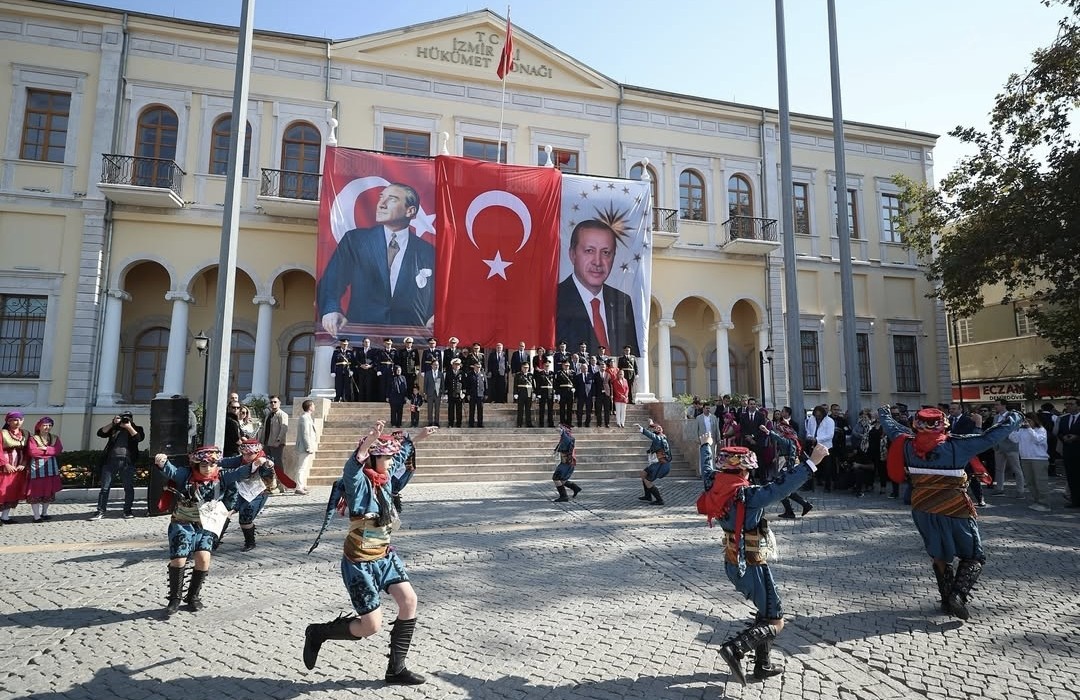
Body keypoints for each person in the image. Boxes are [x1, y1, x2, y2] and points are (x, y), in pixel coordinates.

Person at [303, 421, 435, 685]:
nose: (389, 461)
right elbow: (352, 466)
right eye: (384, 457)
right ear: (373, 458)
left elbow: (401, 457)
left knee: (409, 601)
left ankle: (396, 669)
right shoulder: (358, 482)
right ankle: (318, 633)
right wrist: (368, 442)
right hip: (359, 561)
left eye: (389, 457)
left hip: (385, 556)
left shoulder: (386, 478)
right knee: (370, 626)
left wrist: (417, 438)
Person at [699, 443, 829, 685]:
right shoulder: (747, 495)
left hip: (732, 560)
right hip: (751, 563)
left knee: (765, 611)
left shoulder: (714, 485)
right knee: (776, 619)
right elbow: (781, 487)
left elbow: (706, 468)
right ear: (744, 471)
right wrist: (812, 462)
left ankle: (763, 665)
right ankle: (735, 649)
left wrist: (706, 445)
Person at [879, 404, 1021, 620]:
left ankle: (946, 600)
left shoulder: (906, 443)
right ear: (943, 425)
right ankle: (957, 595)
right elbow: (992, 436)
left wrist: (884, 413)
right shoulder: (958, 445)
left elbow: (891, 426)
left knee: (939, 554)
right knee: (974, 555)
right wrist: (1015, 417)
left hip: (923, 506)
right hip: (954, 507)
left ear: (916, 424)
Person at [154, 444, 272, 617]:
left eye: (212, 464)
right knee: (179, 559)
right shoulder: (186, 475)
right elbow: (171, 471)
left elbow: (240, 472)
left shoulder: (223, 476)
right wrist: (162, 461)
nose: (208, 468)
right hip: (183, 522)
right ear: (196, 465)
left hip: (207, 524)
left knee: (203, 558)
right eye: (203, 465)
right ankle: (175, 598)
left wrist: (257, 464)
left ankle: (193, 596)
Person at [317, 183, 435, 333]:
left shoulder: (427, 252)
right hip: (360, 337)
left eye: (391, 199)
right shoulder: (356, 241)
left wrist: (435, 316)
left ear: (410, 211)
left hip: (409, 340)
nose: (381, 204)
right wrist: (331, 310)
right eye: (381, 198)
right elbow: (331, 282)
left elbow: (438, 295)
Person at [555, 220, 640, 357]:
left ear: (613, 257)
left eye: (606, 252)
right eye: (589, 251)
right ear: (572, 254)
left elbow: (632, 354)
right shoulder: (555, 299)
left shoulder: (623, 301)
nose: (598, 262)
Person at [231, 438, 288, 552]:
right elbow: (226, 462)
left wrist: (266, 465)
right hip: (241, 491)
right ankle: (215, 540)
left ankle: (250, 542)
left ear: (257, 452)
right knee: (225, 511)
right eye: (244, 454)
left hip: (259, 493)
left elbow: (269, 474)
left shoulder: (265, 462)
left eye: (250, 454)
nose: (246, 457)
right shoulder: (240, 460)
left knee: (245, 518)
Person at [90, 411, 145, 520]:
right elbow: (100, 433)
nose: (125, 420)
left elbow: (138, 438)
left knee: (128, 488)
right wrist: (112, 423)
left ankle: (127, 511)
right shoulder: (114, 429)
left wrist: (129, 427)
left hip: (127, 462)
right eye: (123, 418)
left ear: (132, 419)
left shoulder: (137, 428)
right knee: (105, 488)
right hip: (110, 462)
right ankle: (100, 511)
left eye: (128, 418)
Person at [760, 421, 814, 519]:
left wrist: (768, 431)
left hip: (786, 466)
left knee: (781, 489)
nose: (778, 432)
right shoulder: (792, 439)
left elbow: (779, 439)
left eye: (780, 430)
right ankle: (801, 506)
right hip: (787, 465)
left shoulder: (787, 439)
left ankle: (792, 510)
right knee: (785, 489)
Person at [1010, 412, 1051, 511]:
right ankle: (1037, 501)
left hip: (1039, 459)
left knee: (1040, 482)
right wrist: (1014, 429)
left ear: (1034, 421)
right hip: (1025, 458)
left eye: (1029, 421)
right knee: (1030, 482)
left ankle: (1045, 504)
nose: (1026, 423)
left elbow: (1038, 440)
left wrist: (1029, 429)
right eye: (1025, 421)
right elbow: (1014, 439)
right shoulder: (1022, 430)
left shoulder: (1041, 430)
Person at [26, 417, 63, 523]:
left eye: (50, 425)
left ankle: (45, 513)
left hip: (51, 469)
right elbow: (33, 452)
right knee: (35, 492)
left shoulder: (55, 437)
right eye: (45, 425)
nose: (48, 427)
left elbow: (58, 450)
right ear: (39, 426)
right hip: (37, 470)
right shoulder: (33, 439)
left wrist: (46, 449)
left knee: (49, 491)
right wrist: (50, 452)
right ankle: (36, 516)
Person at [390, 427, 435, 512]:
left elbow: (405, 453)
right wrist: (416, 439)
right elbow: (403, 453)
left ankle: (394, 498)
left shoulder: (407, 466)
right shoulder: (392, 461)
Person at [990, 399, 1024, 497]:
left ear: (1003, 405)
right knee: (999, 469)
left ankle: (1020, 490)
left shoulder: (1012, 415)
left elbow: (1016, 428)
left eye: (997, 405)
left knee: (1016, 469)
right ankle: (999, 488)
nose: (995, 407)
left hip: (1011, 446)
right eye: (995, 405)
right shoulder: (996, 417)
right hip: (999, 446)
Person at [0, 412, 29, 524]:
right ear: (8, 421)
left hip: (18, 468)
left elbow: (28, 451)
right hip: (5, 469)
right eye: (15, 420)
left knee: (12, 492)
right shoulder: (3, 433)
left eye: (20, 419)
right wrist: (5, 464)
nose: (18, 422)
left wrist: (24, 463)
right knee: (1, 491)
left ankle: (5, 517)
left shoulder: (26, 434)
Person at [635, 419, 671, 505]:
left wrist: (642, 429)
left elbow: (652, 436)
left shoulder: (660, 438)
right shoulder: (659, 436)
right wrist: (651, 424)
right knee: (643, 473)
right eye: (656, 428)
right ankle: (648, 496)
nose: (658, 428)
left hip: (661, 464)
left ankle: (659, 500)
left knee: (648, 481)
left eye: (659, 428)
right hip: (657, 463)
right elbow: (654, 431)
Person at [263, 396, 289, 493]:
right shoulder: (269, 415)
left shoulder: (283, 414)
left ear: (279, 403)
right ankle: (270, 485)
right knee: (267, 465)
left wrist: (278, 441)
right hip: (267, 443)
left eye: (275, 402)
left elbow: (284, 428)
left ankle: (282, 485)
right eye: (271, 402)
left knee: (278, 465)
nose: (273, 404)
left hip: (276, 444)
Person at [293, 399, 319, 496]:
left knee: (304, 467)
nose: (314, 407)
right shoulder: (304, 418)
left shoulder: (308, 417)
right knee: (302, 467)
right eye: (313, 405)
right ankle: (298, 487)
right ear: (310, 406)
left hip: (307, 446)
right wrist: (308, 447)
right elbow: (305, 434)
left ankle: (302, 485)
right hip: (304, 447)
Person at [1058, 399, 1080, 507]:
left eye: (1071, 404)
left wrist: (1077, 437)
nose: (1068, 406)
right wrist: (1063, 437)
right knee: (1071, 477)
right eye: (1067, 404)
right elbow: (1059, 432)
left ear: (1078, 406)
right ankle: (1075, 501)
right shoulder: (1064, 418)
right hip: (1068, 451)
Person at [552, 424, 581, 502]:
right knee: (562, 480)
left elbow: (564, 436)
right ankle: (575, 488)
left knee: (556, 478)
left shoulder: (567, 438)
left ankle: (564, 496)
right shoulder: (568, 438)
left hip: (566, 463)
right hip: (566, 463)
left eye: (562, 428)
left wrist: (561, 431)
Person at [695, 404, 722, 480]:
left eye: (709, 408)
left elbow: (717, 429)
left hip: (712, 439)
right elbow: (696, 429)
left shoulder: (713, 417)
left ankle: (712, 471)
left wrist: (718, 438)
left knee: (712, 455)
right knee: (702, 455)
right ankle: (702, 473)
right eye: (706, 408)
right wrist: (697, 439)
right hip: (703, 439)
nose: (708, 410)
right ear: (703, 409)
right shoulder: (699, 418)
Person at [331, 338, 356, 402]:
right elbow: (333, 362)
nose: (345, 346)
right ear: (341, 344)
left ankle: (346, 399)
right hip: (339, 370)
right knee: (339, 385)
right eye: (343, 344)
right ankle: (338, 398)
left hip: (347, 370)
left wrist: (352, 370)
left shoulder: (350, 352)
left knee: (347, 385)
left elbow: (353, 362)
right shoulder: (336, 352)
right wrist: (333, 371)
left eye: (346, 344)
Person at [444, 358, 466, 428]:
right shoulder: (449, 373)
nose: (457, 366)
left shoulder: (462, 373)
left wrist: (464, 392)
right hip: (451, 394)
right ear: (452, 365)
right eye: (455, 364)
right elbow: (446, 383)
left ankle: (459, 423)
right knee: (451, 409)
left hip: (459, 394)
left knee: (459, 410)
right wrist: (446, 392)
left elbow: (464, 384)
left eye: (458, 365)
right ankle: (450, 423)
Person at [422, 358, 444, 427]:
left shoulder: (441, 374)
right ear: (431, 365)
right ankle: (430, 422)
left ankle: (436, 422)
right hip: (430, 393)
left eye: (437, 365)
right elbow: (425, 384)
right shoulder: (428, 373)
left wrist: (442, 393)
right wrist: (425, 393)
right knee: (430, 408)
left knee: (437, 409)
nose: (436, 366)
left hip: (437, 394)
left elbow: (442, 384)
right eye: (434, 365)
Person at [465, 361, 487, 428]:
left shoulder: (482, 374)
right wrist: (468, 394)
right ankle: (471, 423)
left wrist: (486, 393)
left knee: (480, 410)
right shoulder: (470, 374)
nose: (478, 368)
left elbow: (485, 384)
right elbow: (467, 385)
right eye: (477, 367)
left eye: (479, 367)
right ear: (474, 367)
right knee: (472, 410)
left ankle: (480, 423)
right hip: (472, 394)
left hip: (480, 394)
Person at [555, 360, 576, 427]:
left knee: (570, 408)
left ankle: (569, 422)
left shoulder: (572, 372)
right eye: (565, 365)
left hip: (570, 392)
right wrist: (557, 393)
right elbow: (556, 384)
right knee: (562, 408)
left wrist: (574, 388)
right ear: (562, 366)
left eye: (568, 365)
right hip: (562, 391)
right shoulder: (559, 373)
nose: (567, 367)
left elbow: (575, 382)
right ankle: (562, 422)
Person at [514, 363, 535, 428]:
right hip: (521, 393)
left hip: (529, 393)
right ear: (521, 368)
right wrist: (515, 393)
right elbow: (515, 385)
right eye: (524, 367)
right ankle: (519, 423)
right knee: (520, 409)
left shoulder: (531, 375)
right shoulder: (518, 375)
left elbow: (533, 385)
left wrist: (534, 393)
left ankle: (529, 423)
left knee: (528, 409)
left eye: (527, 367)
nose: (526, 369)